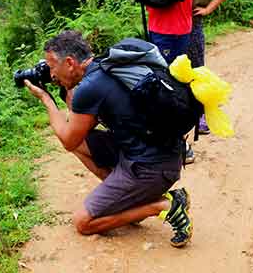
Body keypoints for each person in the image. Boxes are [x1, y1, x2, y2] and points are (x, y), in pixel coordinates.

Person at [23, 30, 193, 247]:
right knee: (81, 143)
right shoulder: (104, 66)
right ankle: (127, 199)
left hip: (150, 168)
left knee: (83, 222)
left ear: (69, 62)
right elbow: (79, 128)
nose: (51, 74)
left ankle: (162, 206)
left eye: (52, 66)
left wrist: (45, 98)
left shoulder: (91, 86)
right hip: (157, 153)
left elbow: (68, 139)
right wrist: (65, 87)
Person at [176, 0, 231, 136]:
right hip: (180, 24)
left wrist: (208, 8)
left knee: (194, 69)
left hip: (191, 22)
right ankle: (194, 116)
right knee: (195, 69)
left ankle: (200, 116)